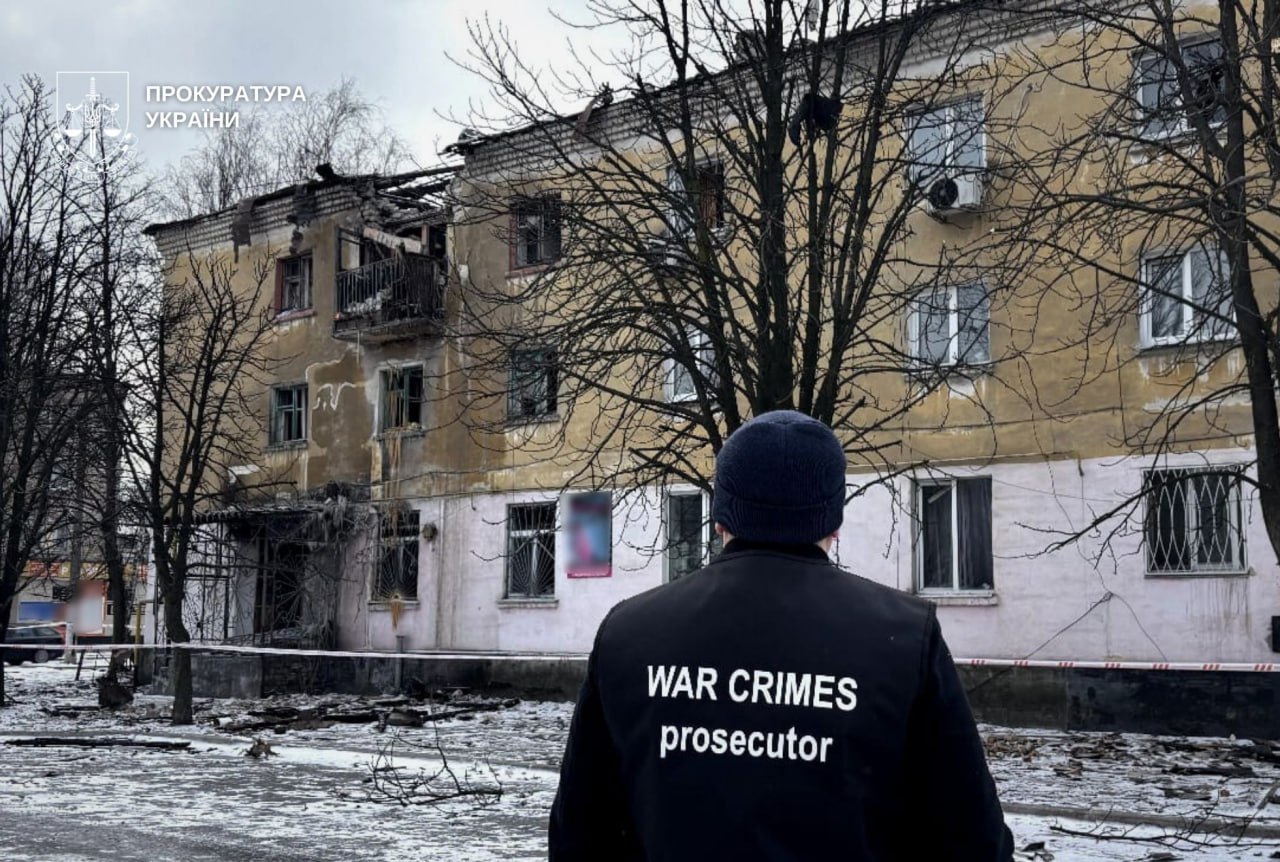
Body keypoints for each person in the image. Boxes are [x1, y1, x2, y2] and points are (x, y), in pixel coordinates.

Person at [548, 409, 1014, 861]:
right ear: (833, 521)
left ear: (720, 516)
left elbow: (579, 835)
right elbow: (973, 840)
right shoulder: (905, 636)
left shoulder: (629, 633)